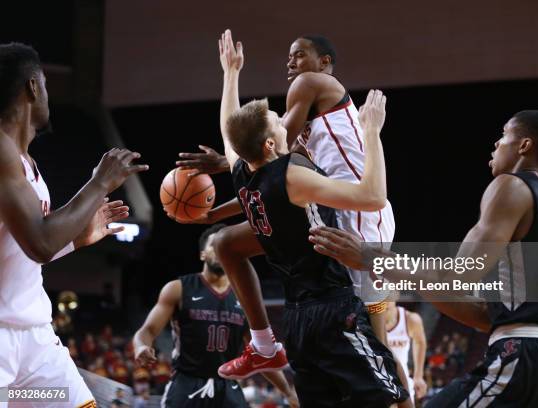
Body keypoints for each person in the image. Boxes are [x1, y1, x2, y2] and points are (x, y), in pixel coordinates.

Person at [309, 110, 538, 406]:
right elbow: (483, 316)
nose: (496, 144)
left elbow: (457, 277)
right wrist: (411, 278)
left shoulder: (510, 186)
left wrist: (371, 258)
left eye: (503, 135)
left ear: (524, 146)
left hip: (523, 355)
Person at [176, 29, 395, 378]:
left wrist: (234, 157)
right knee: (227, 243)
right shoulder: (309, 123)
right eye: (289, 55)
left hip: (359, 206)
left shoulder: (310, 83)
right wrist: (216, 211)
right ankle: (264, 346)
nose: (291, 61)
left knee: (375, 343)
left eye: (300, 53)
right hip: (331, 204)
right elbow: (270, 180)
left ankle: (398, 394)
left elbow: (272, 155)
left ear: (325, 63)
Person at [0, 42, 148, 407]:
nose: (48, 95)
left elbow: (26, 249)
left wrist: (75, 240)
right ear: (33, 87)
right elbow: (39, 242)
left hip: (34, 343)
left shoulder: (27, 164)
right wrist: (99, 182)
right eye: (46, 85)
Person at [133, 225, 297, 407]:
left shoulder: (245, 297)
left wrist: (287, 391)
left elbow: (261, 352)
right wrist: (141, 346)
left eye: (223, 247)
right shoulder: (178, 288)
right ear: (203, 254)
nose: (219, 251)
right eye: (214, 246)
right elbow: (147, 330)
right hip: (186, 384)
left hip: (228, 385)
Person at [385, 302, 427, 404]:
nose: (384, 299)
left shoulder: (411, 319)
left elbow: (420, 342)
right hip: (375, 381)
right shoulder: (365, 319)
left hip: (402, 382)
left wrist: (418, 376)